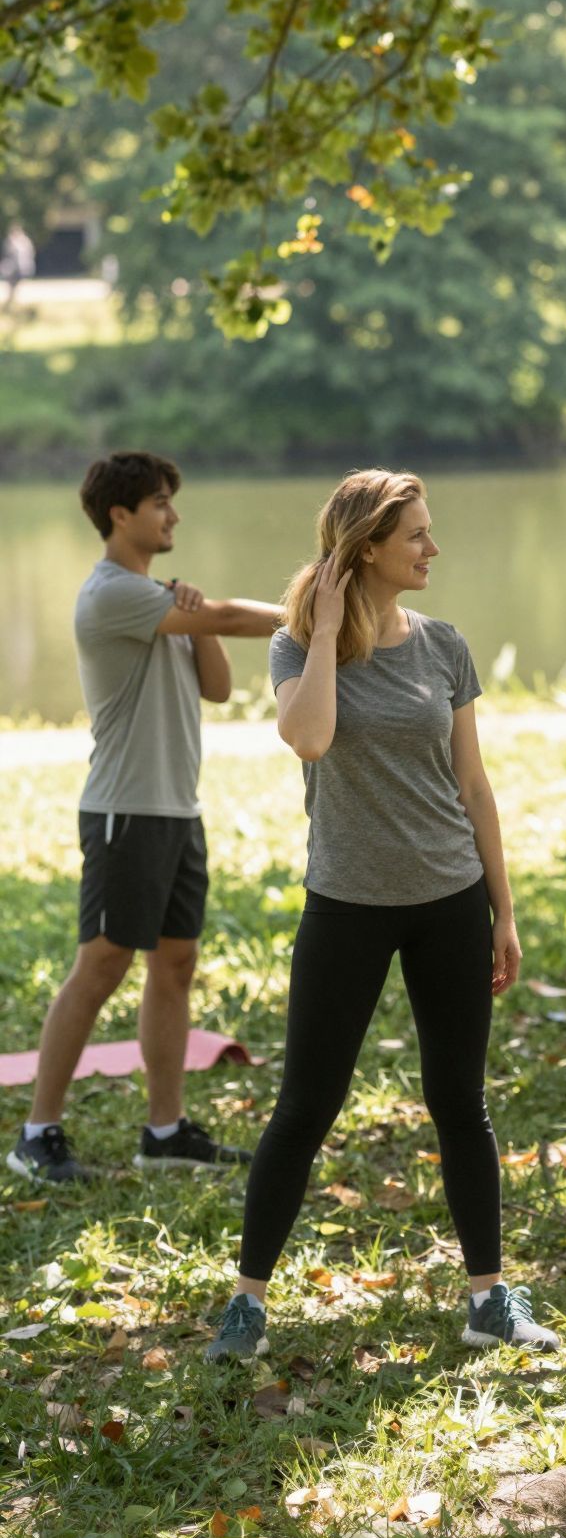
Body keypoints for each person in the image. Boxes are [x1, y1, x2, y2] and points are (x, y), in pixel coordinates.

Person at [205, 470, 556, 1361]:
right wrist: (325, 631)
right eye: (417, 537)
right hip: (348, 905)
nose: (433, 549)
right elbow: (309, 737)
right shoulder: (297, 648)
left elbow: (473, 784)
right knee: (306, 1106)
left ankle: (488, 1299)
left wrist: (502, 910)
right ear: (367, 550)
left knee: (459, 1103)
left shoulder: (446, 646)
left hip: (449, 898)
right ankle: (248, 1302)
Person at [8, 452, 283, 1185]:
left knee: (177, 965)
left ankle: (164, 1133)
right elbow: (227, 613)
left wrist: (199, 621)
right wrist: (311, 613)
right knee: (100, 966)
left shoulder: (160, 597)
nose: (174, 515)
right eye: (160, 502)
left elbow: (218, 689)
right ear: (120, 514)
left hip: (175, 810)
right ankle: (37, 1133)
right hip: (124, 811)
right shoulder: (110, 594)